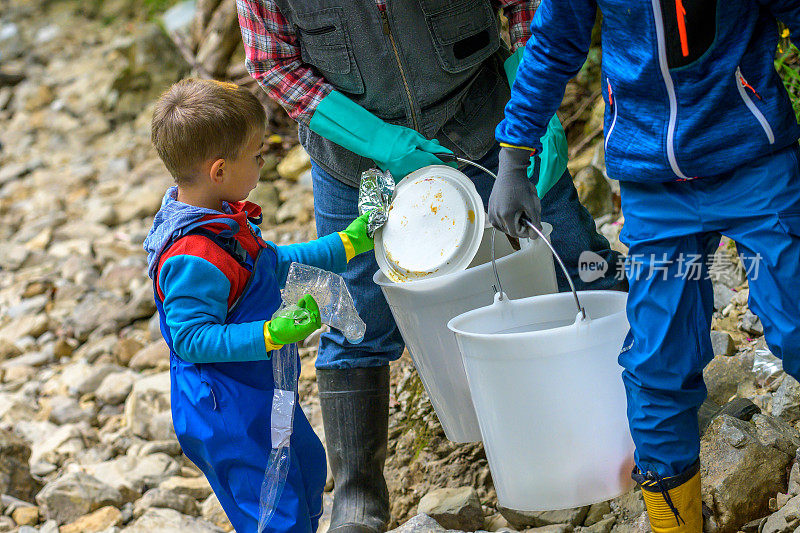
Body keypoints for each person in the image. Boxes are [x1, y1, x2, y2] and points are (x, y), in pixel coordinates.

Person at [236, 1, 623, 531]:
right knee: (352, 320)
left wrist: (539, 111)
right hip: (354, 159)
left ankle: (641, 423)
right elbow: (273, 63)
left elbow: (524, 10)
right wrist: (378, 141)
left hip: (494, 125)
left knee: (577, 258)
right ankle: (358, 497)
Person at [492, 1, 800, 530]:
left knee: (797, 322)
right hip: (652, 180)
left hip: (753, 160)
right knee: (658, 363)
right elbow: (553, 41)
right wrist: (514, 156)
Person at [143, 78, 375, 532]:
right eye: (255, 155)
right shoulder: (194, 255)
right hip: (223, 410)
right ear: (219, 171)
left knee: (307, 470)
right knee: (272, 511)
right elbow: (192, 339)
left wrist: (345, 244)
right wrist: (271, 332)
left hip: (261, 390)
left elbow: (271, 264)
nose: (263, 161)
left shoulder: (221, 221)